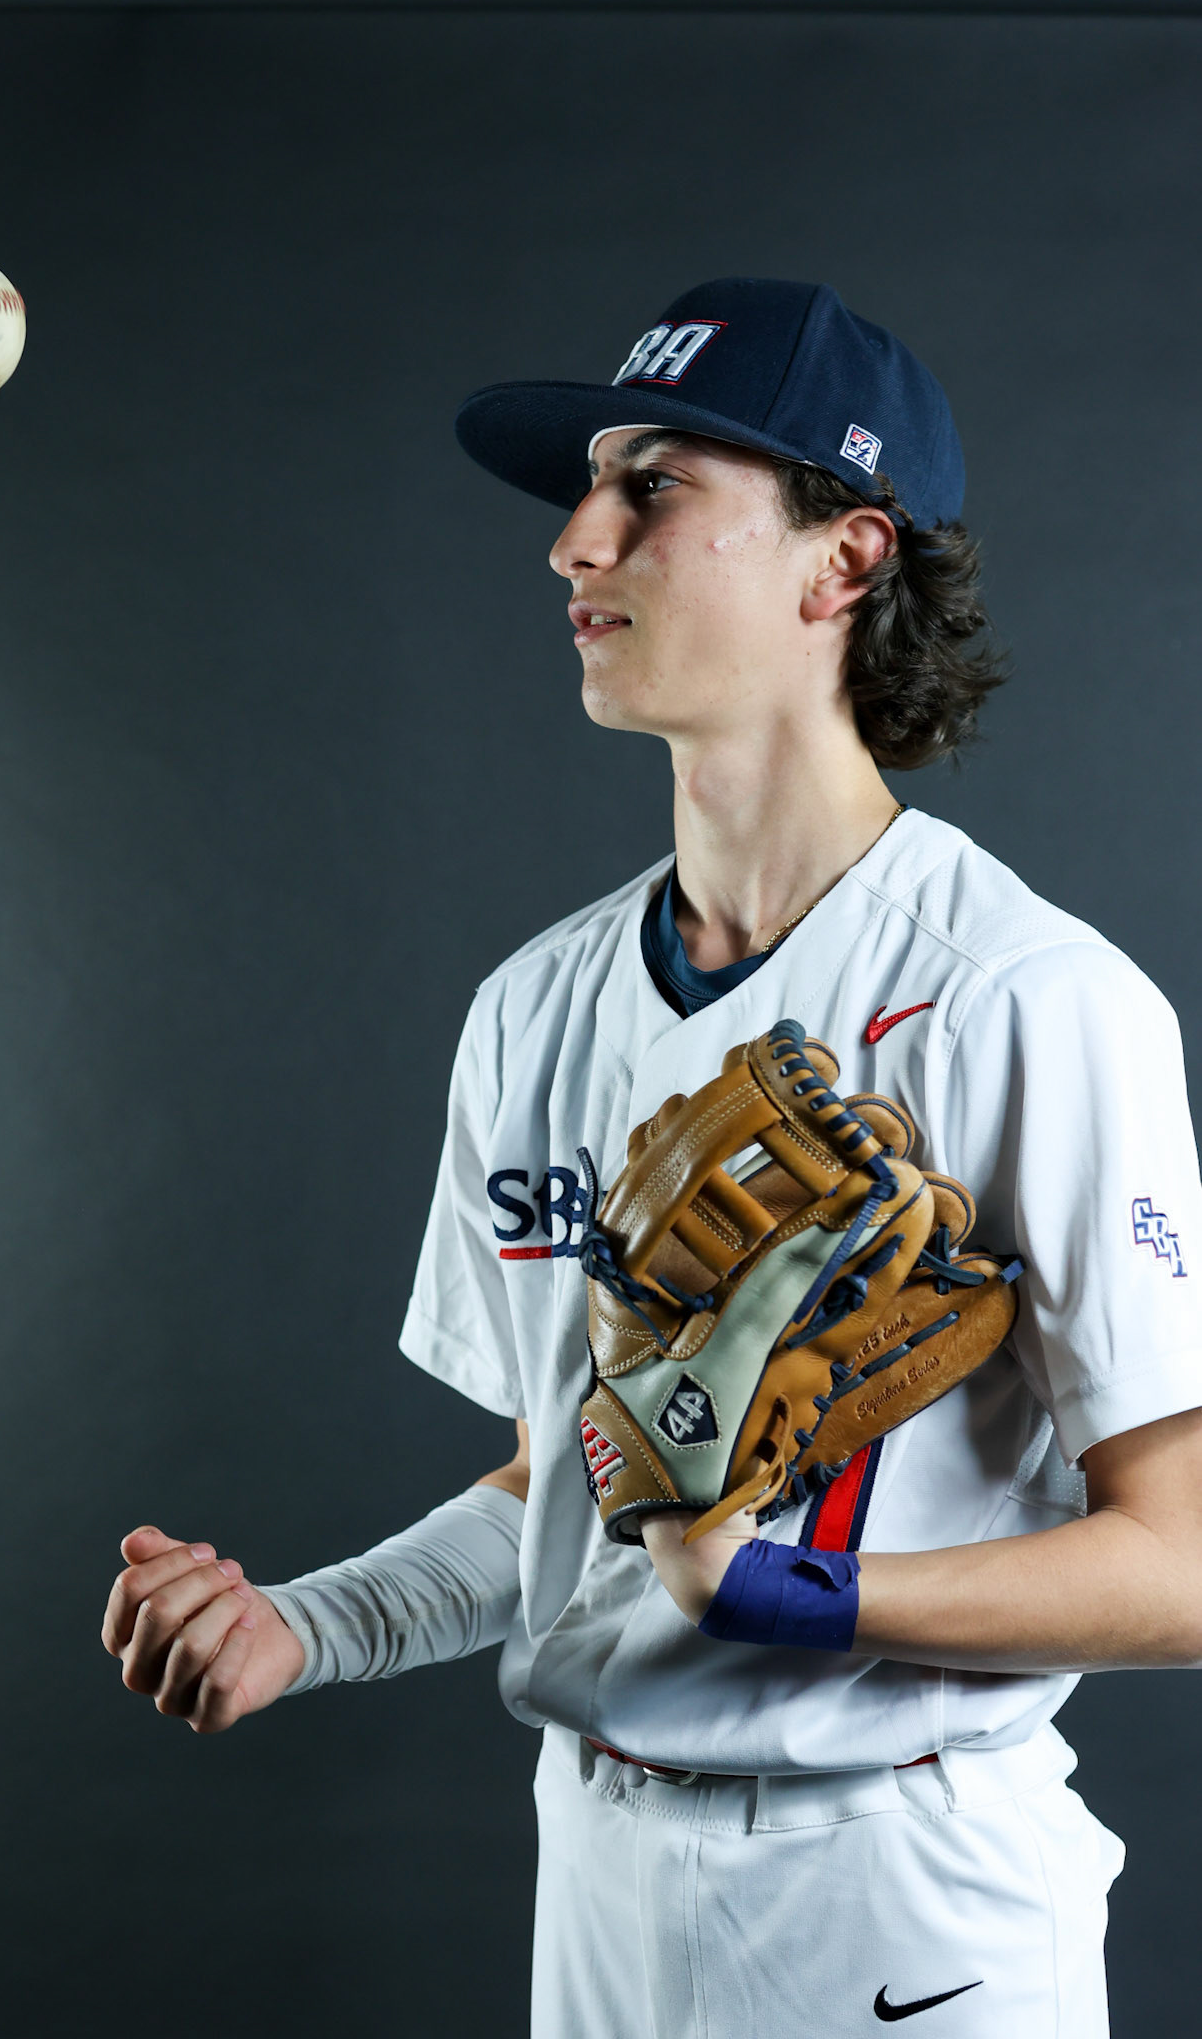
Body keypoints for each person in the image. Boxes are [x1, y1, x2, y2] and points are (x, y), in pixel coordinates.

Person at [101, 279, 1202, 2036]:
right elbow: (578, 1488)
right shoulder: (531, 1010)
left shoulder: (1030, 1001)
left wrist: (794, 1591)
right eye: (584, 485)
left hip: (902, 1893)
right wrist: (308, 1627)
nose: (571, 542)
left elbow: (1184, 1563)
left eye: (652, 486)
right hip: (593, 1880)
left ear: (840, 563)